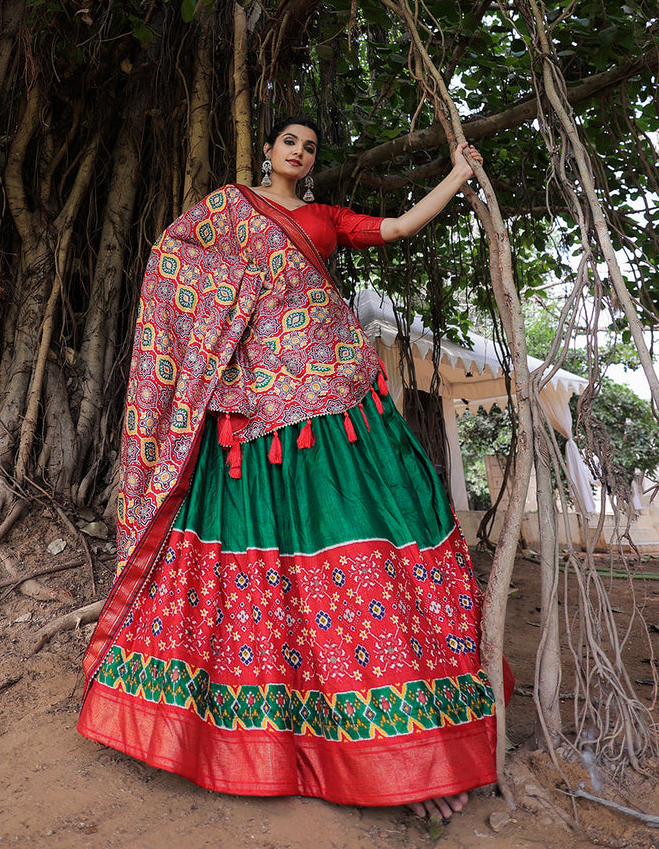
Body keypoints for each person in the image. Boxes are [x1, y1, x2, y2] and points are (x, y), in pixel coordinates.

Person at [78, 117, 509, 820]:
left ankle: (412, 750)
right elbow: (172, 262)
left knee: (368, 525)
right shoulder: (227, 210)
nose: (299, 153)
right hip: (253, 399)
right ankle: (240, 728)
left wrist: (460, 175)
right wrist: (229, 320)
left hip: (332, 387)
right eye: (290, 142)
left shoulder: (326, 218)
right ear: (270, 150)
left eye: (310, 147)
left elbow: (398, 228)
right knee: (255, 548)